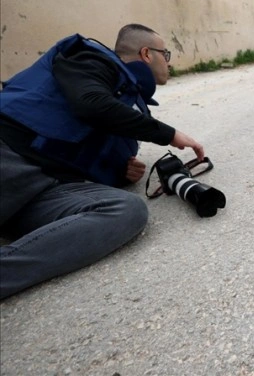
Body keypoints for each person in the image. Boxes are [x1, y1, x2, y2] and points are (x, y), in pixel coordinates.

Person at [0, 24, 204, 300]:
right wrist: (168, 135)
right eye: (165, 54)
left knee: (128, 209)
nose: (169, 62)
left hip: (43, 190)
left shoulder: (127, 105)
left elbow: (84, 152)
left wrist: (121, 172)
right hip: (8, 159)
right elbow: (90, 103)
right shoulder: (91, 61)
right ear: (146, 53)